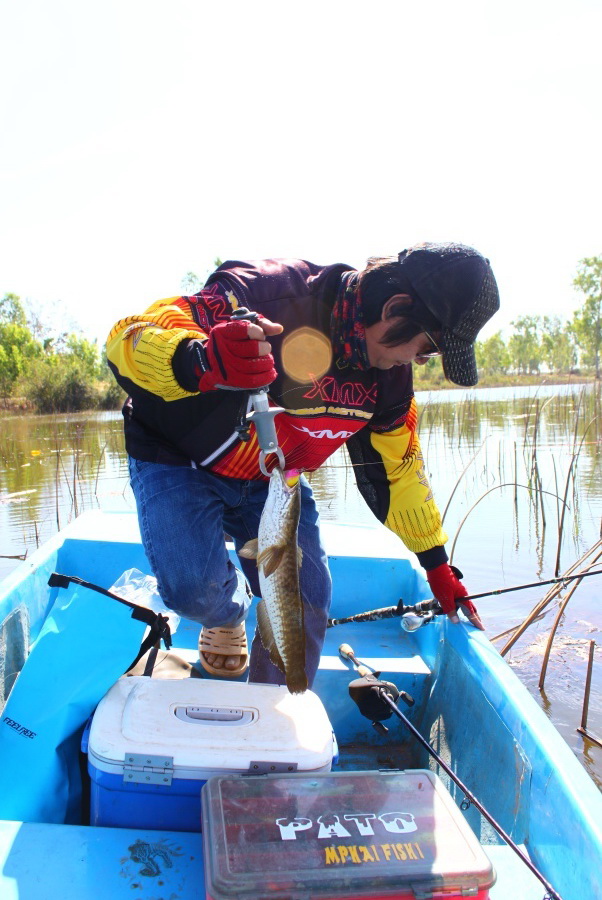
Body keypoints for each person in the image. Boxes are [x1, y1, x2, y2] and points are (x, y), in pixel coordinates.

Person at [106, 242, 500, 687]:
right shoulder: (262, 293)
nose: (419, 361)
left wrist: (436, 563)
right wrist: (199, 360)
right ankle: (228, 613)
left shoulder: (389, 378)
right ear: (395, 308)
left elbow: (399, 471)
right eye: (426, 348)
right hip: (178, 458)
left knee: (309, 599)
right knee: (194, 592)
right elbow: (129, 335)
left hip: (272, 484)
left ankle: (271, 717)